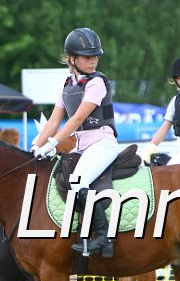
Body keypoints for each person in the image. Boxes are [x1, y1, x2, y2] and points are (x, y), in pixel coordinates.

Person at [32, 27, 119, 257]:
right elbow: (53, 120)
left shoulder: (97, 82)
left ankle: (104, 238)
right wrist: (36, 146)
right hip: (82, 146)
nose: (93, 61)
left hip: (102, 143)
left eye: (95, 56)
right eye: (87, 57)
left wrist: (53, 142)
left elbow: (78, 118)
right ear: (72, 59)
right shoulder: (67, 85)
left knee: (79, 181)